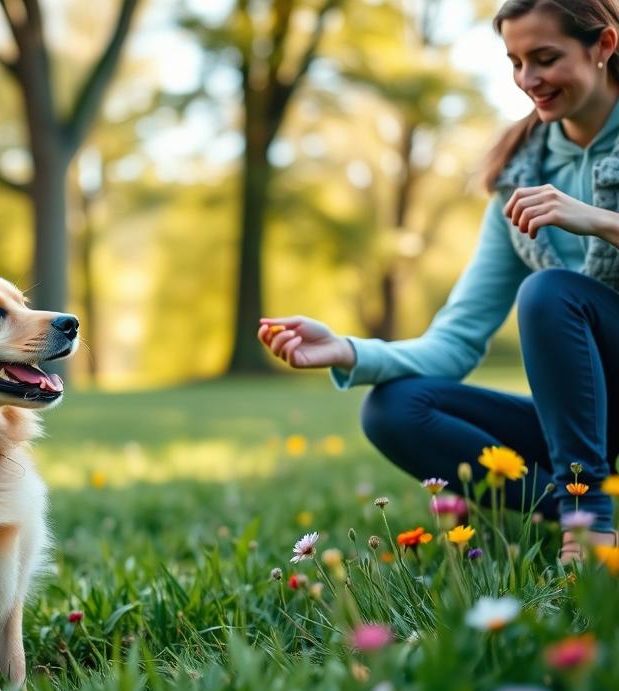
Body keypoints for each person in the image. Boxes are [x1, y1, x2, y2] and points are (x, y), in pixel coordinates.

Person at [258, 0, 619, 564]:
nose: (529, 80)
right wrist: (347, 350)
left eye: (545, 58)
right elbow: (456, 340)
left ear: (604, 46)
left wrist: (600, 220)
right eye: (516, 62)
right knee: (395, 408)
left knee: (551, 293)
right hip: (585, 426)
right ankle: (576, 505)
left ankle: (590, 519)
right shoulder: (519, 179)